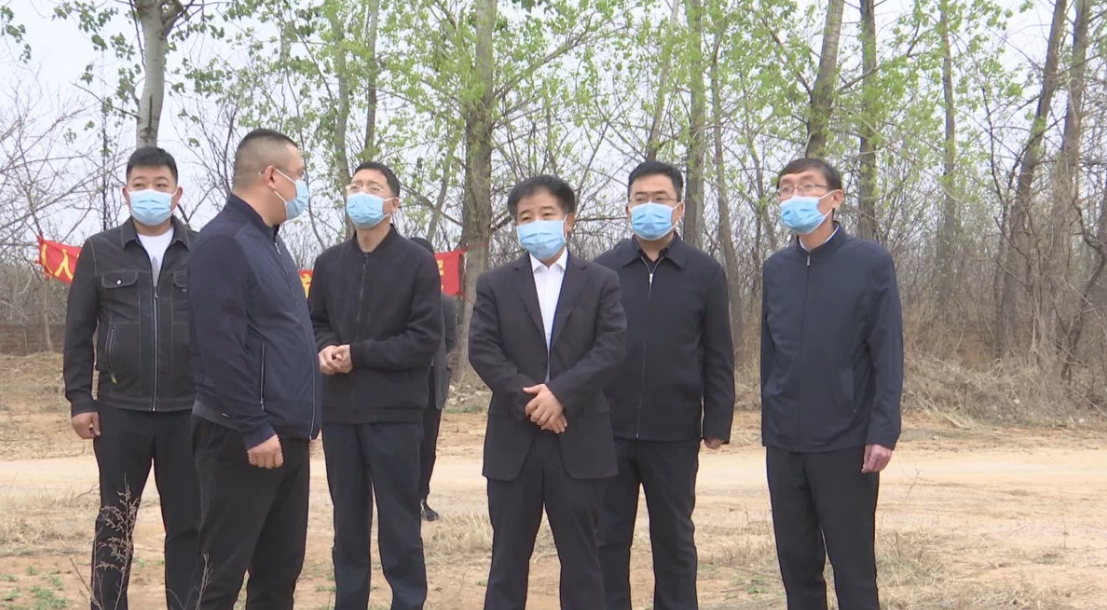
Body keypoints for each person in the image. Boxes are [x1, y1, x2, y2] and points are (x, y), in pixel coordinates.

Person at [469, 174, 626, 610]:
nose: (536, 223)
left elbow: (611, 348)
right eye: (525, 217)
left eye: (546, 214)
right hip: (513, 443)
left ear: (568, 220)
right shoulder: (495, 284)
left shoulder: (601, 281)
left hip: (580, 439)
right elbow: (483, 350)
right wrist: (532, 402)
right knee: (506, 564)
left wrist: (560, 395)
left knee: (584, 565)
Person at [186, 128, 322, 610]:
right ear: (271, 176)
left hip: (285, 437)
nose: (303, 186)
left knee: (278, 574)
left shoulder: (274, 245)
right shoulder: (224, 242)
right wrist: (254, 426)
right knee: (220, 574)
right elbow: (219, 346)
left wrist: (304, 422)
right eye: (299, 174)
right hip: (243, 438)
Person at [761, 158, 903, 610]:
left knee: (853, 568)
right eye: (786, 188)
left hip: (846, 440)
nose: (794, 196)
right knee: (797, 566)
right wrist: (771, 422)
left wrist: (883, 430)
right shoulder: (776, 268)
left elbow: (887, 351)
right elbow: (770, 354)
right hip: (786, 442)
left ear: (834, 198)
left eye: (807, 187)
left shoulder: (869, 262)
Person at [594, 160, 735, 610]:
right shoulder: (602, 270)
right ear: (627, 208)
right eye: (640, 199)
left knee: (674, 538)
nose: (649, 207)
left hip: (674, 429)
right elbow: (584, 351)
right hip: (607, 427)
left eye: (659, 198)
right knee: (606, 537)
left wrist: (718, 419)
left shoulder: (704, 272)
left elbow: (718, 350)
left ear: (679, 207)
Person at [63, 146, 200, 610]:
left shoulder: (202, 250)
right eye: (140, 185)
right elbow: (78, 330)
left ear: (177, 194)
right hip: (120, 411)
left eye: (161, 185)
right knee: (115, 523)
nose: (150, 193)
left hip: (188, 412)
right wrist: (80, 398)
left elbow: (220, 329)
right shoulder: (99, 250)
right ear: (125, 193)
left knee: (189, 525)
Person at [309, 161, 441, 610]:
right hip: (340, 414)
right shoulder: (329, 263)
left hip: (395, 414)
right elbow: (316, 321)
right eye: (355, 186)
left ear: (393, 203)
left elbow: (423, 339)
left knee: (400, 526)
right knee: (347, 526)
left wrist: (360, 355)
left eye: (373, 187)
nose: (362, 193)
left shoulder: (417, 263)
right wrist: (325, 348)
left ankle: (408, 601)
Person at [409, 236, 459, 522]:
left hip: (432, 381)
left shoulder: (444, 302)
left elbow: (450, 340)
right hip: (401, 382)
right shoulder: (394, 298)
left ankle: (421, 498)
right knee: (402, 444)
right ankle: (401, 499)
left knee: (427, 445)